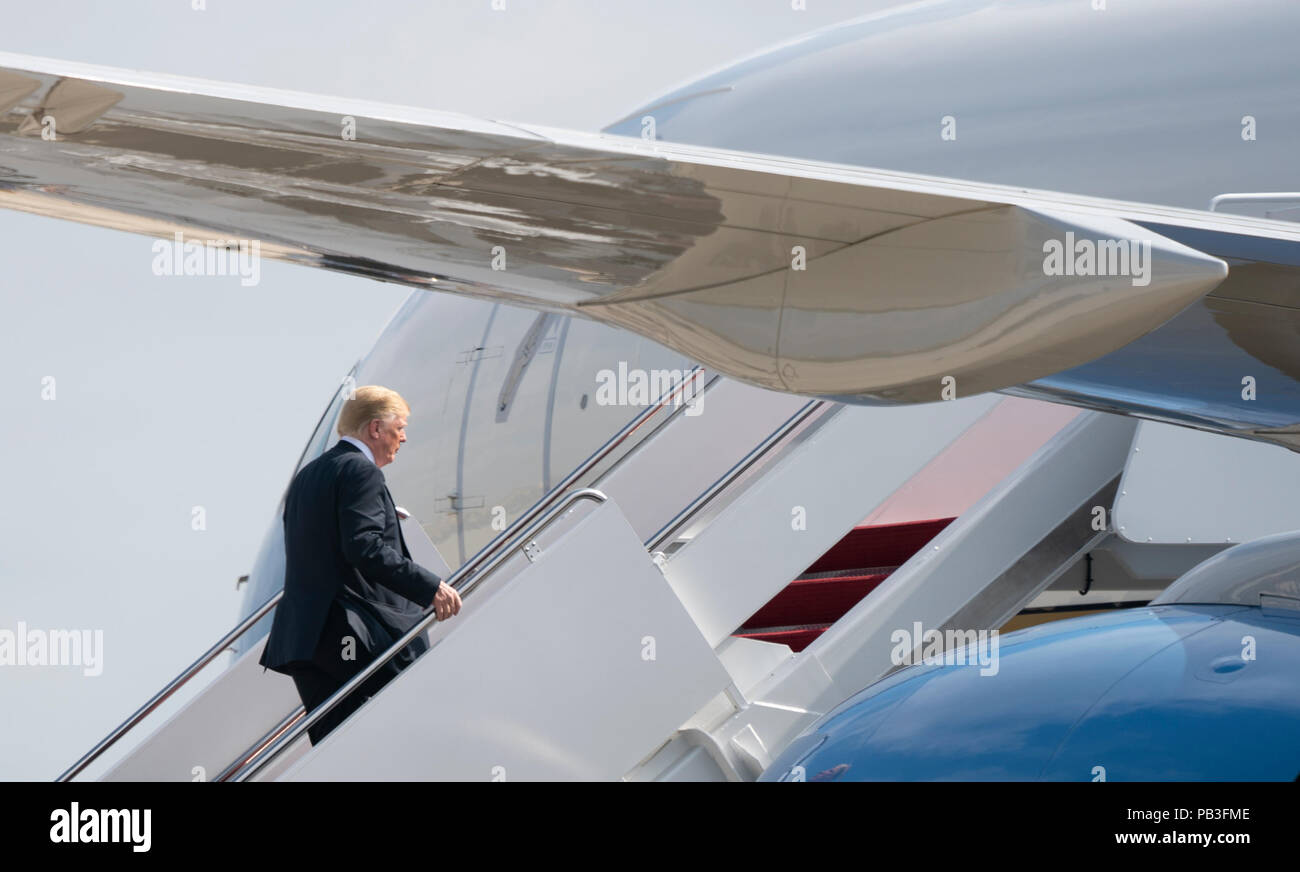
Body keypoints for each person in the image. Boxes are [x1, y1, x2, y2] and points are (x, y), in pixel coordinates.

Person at [258, 385, 461, 745]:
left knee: (337, 753)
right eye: (400, 427)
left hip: (304, 641)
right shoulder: (360, 472)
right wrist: (431, 587)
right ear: (375, 429)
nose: (404, 437)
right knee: (407, 731)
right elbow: (363, 547)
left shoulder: (307, 477)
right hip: (348, 633)